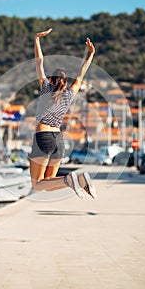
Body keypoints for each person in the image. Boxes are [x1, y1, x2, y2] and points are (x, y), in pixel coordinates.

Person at [29, 28, 97, 199]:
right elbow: (81, 74)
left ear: (51, 80)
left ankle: (69, 179)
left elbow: (39, 62)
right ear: (66, 83)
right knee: (49, 181)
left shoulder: (45, 88)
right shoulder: (69, 94)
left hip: (43, 137)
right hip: (59, 140)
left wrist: (37, 39)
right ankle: (77, 180)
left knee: (37, 184)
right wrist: (91, 54)